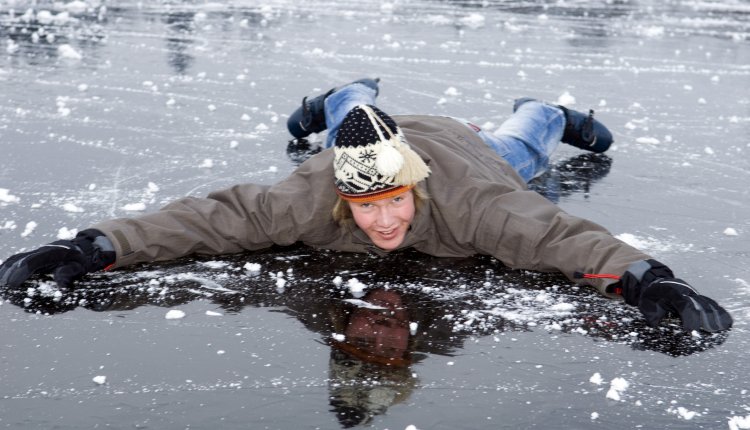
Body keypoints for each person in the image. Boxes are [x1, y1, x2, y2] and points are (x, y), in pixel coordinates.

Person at [0, 77, 732, 333]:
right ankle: (345, 98)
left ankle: (544, 107)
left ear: (412, 189)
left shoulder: (475, 205)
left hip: (463, 148)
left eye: (394, 203)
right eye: (365, 207)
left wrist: (648, 278)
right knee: (355, 110)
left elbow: (561, 235)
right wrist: (89, 246)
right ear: (343, 199)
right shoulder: (314, 196)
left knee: (523, 148)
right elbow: (208, 217)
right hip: (358, 140)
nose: (382, 220)